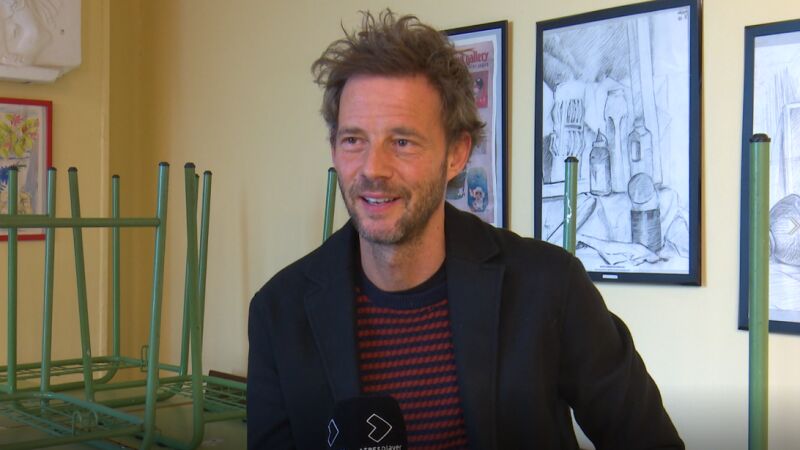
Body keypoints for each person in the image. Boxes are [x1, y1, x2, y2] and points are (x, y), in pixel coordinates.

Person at [247, 9, 684, 450]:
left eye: (402, 142)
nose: (372, 168)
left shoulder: (550, 287)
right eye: (353, 140)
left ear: (456, 154)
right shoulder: (279, 313)